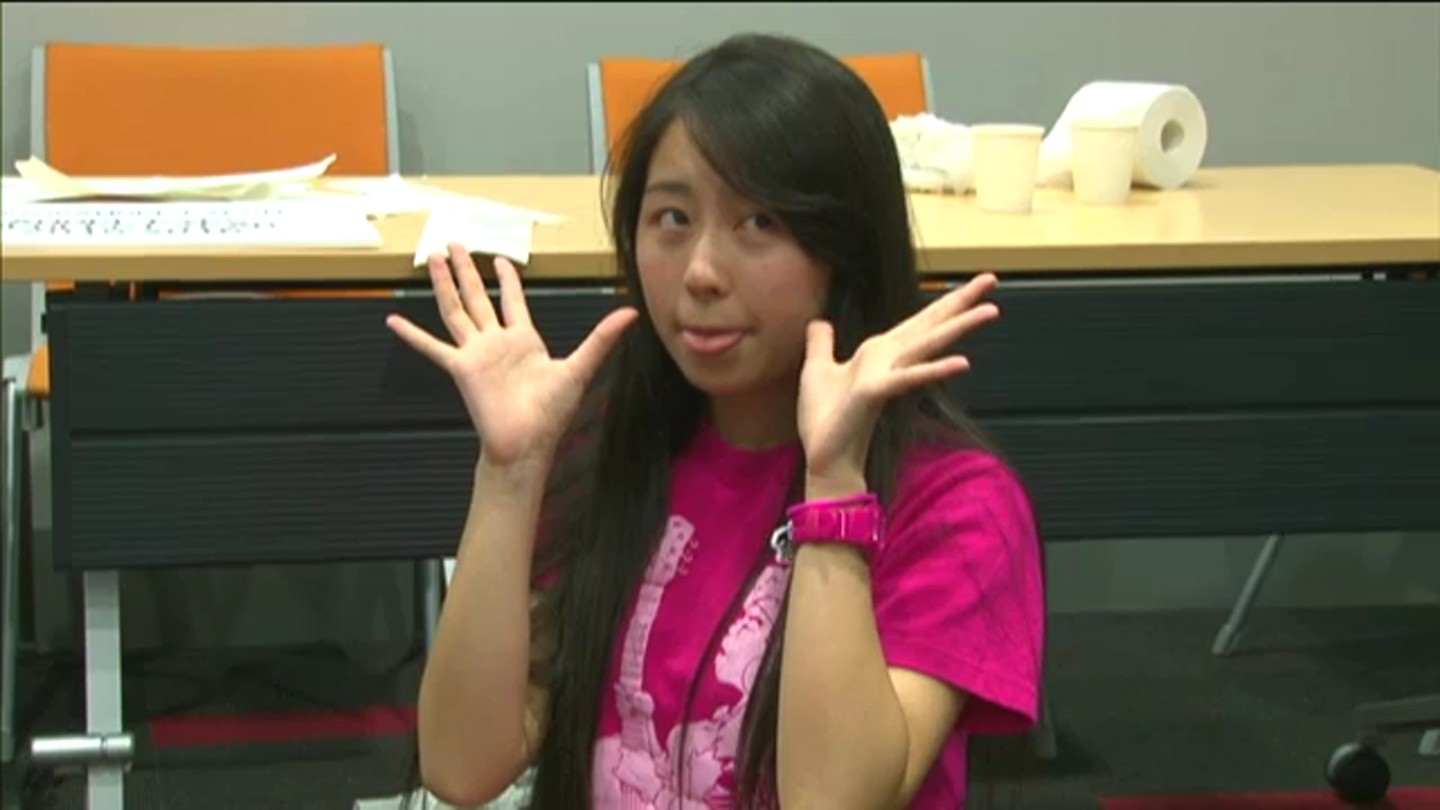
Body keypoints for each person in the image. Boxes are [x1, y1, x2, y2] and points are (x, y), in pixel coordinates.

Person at [387, 32, 1045, 810]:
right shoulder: (610, 450)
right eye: (672, 217)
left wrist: (834, 484)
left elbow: (832, 802)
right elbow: (463, 766)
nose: (700, 273)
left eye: (759, 223)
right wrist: (511, 476)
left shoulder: (955, 502)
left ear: (846, 251)